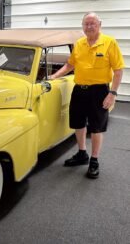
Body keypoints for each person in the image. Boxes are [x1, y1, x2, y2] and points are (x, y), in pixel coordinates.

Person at [49, 12, 125, 179]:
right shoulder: (79, 43)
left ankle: (94, 160)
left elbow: (118, 70)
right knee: (78, 123)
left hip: (99, 91)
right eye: (86, 23)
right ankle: (82, 153)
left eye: (93, 23)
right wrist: (55, 76)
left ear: (100, 24)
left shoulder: (109, 43)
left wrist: (112, 93)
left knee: (97, 126)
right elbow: (70, 65)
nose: (89, 26)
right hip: (79, 89)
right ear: (82, 26)